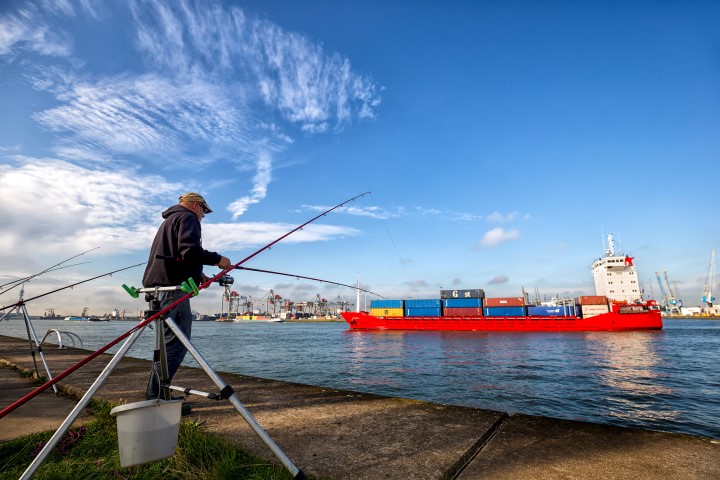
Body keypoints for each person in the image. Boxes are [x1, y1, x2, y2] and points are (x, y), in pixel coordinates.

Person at [142, 192, 231, 412]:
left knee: (163, 347)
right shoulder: (188, 218)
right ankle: (158, 400)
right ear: (195, 205)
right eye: (204, 211)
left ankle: (157, 395)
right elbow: (189, 250)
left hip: (157, 288)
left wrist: (196, 274)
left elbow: (178, 256)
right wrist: (217, 259)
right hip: (173, 290)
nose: (203, 216)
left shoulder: (170, 220)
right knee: (176, 344)